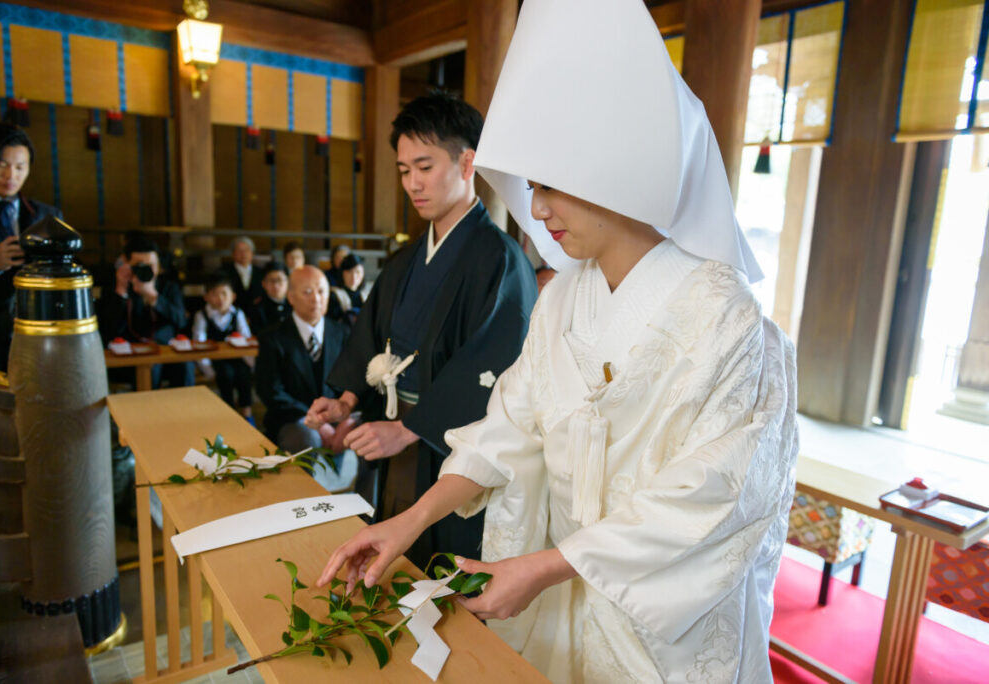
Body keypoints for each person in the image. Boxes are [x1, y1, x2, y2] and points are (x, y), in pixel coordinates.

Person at [317, 2, 798, 683]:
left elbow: (712, 496)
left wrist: (547, 566)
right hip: (555, 586)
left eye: (549, 185)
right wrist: (412, 521)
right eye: (532, 187)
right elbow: (510, 424)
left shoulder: (728, 319)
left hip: (656, 624)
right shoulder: (566, 297)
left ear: (619, 169)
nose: (536, 210)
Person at [306, 92, 538, 566]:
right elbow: (374, 335)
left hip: (450, 451)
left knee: (442, 572)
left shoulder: (499, 260)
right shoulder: (406, 260)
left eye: (425, 167)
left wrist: (411, 428)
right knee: (391, 559)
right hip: (396, 438)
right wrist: (347, 399)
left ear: (467, 161)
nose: (413, 183)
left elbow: (492, 363)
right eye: (404, 170)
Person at [0, 122, 61, 381]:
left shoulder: (48, 216)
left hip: (37, 333)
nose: (11, 175)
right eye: (1, 164)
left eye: (21, 167)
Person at [255, 266, 354, 490]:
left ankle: (370, 510)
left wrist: (346, 416)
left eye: (322, 291)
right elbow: (271, 391)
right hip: (293, 419)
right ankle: (300, 504)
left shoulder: (342, 332)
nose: (317, 299)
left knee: (371, 429)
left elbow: (352, 380)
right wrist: (316, 423)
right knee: (306, 437)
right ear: (291, 297)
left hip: (338, 415)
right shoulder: (273, 338)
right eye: (307, 292)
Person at [98, 233, 193, 388]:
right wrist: (121, 291)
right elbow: (109, 329)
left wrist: (154, 298)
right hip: (129, 356)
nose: (148, 270)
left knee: (185, 364)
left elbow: (181, 321)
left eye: (152, 265)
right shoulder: (114, 287)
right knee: (149, 367)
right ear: (126, 263)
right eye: (140, 265)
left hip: (163, 350)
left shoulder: (169, 287)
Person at [192, 273, 254, 419]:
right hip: (216, 361)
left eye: (224, 294)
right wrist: (208, 370)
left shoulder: (238, 313)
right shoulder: (202, 316)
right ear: (206, 297)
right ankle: (229, 413)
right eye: (214, 294)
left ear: (233, 296)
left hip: (238, 358)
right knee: (225, 375)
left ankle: (247, 412)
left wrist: (250, 364)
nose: (220, 298)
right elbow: (199, 345)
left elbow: (246, 340)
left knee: (243, 374)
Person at [222, 236, 264, 312]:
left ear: (252, 253)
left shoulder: (261, 273)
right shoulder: (224, 272)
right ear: (232, 253)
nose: (243, 253)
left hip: (257, 314)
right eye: (239, 251)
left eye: (247, 250)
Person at [327, 252, 370, 325]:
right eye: (349, 272)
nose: (354, 277)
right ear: (342, 273)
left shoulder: (367, 295)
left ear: (363, 274)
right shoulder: (333, 295)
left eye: (358, 272)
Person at [250, 261, 290, 333]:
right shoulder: (257, 307)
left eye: (279, 280)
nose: (275, 285)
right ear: (263, 284)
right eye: (271, 281)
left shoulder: (296, 305)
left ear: (288, 282)